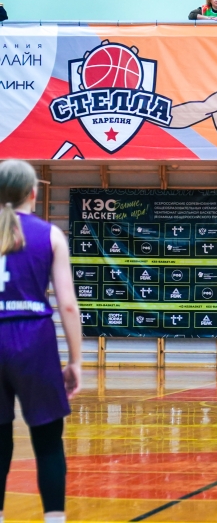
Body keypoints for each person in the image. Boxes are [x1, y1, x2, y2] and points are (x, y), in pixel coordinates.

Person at [0, 160, 82, 523]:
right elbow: (67, 304)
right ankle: (54, 519)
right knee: (48, 441)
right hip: (33, 339)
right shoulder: (49, 235)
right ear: (33, 193)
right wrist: (75, 361)